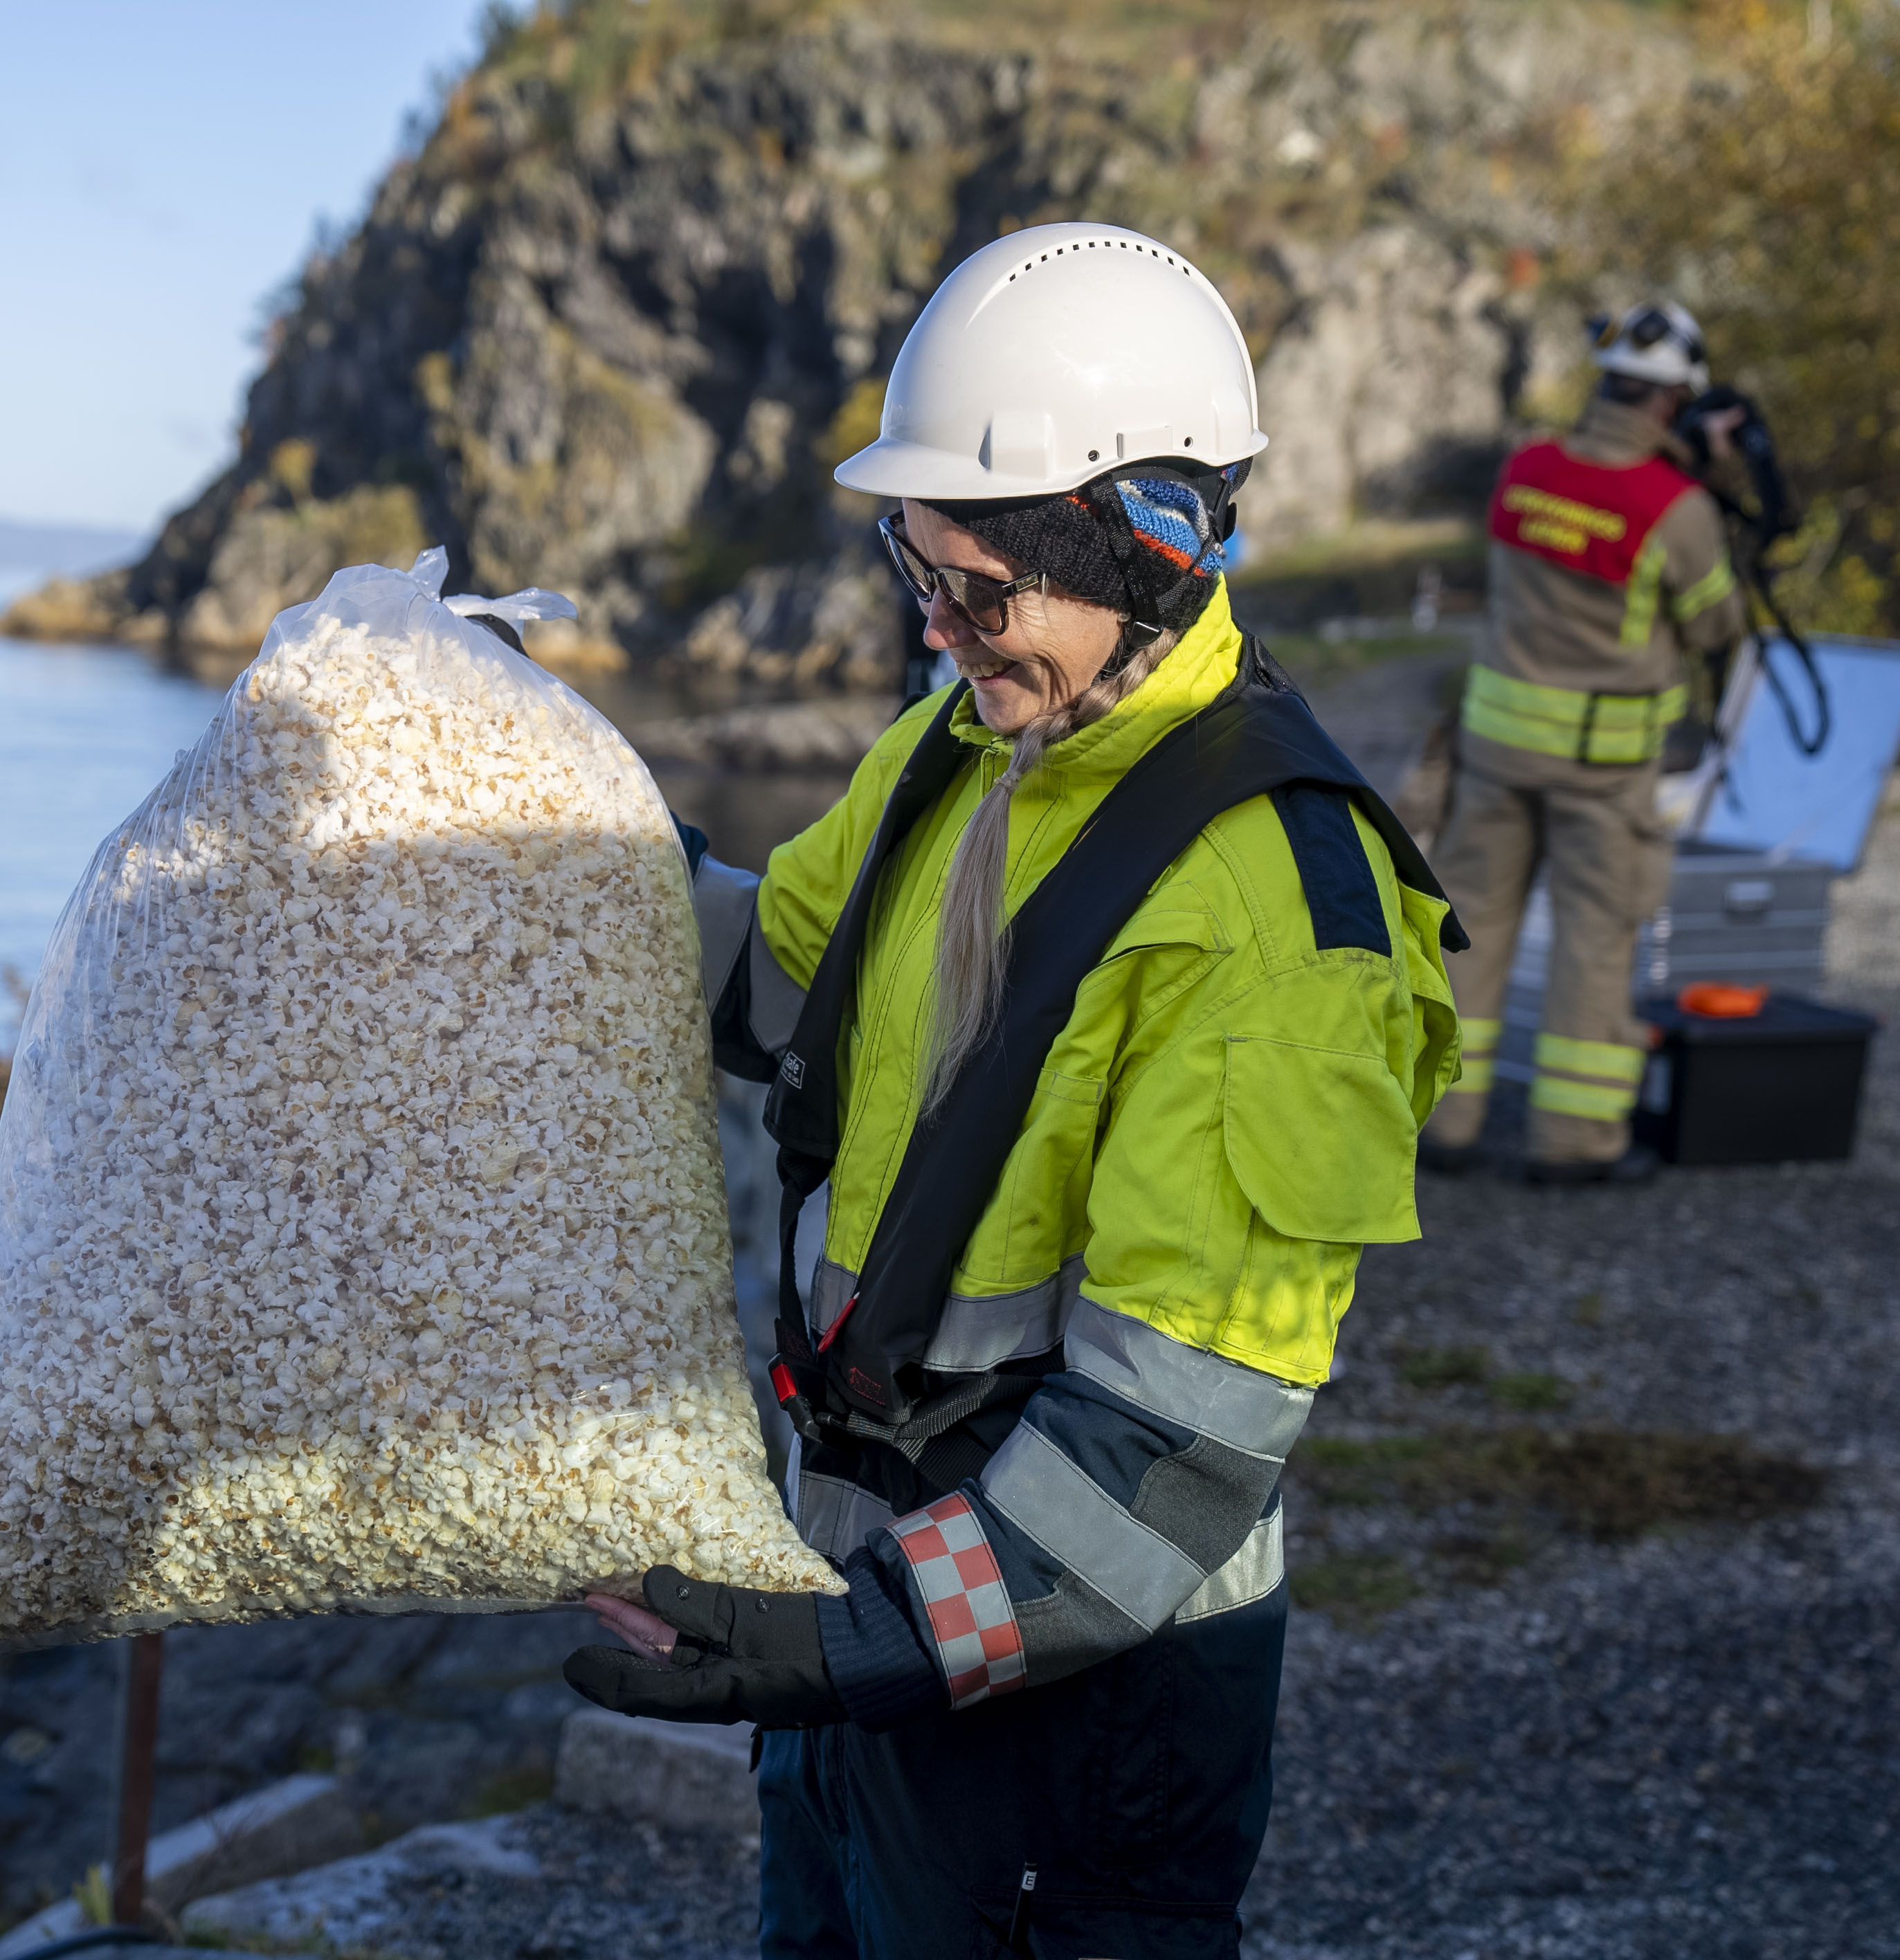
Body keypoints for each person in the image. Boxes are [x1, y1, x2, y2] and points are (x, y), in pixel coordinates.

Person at [562, 222, 1461, 1960]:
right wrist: (564, 848)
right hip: (868, 1607)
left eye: (978, 591)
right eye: (911, 567)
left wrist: (856, 1639)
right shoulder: (959, 747)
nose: (936, 625)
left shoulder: (1271, 921)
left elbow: (1172, 1440)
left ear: (1149, 547)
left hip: (1072, 1693)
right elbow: (778, 994)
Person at [1417, 300, 1755, 1183]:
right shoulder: (1673, 507)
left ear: (1606, 383)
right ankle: (1572, 1142)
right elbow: (1717, 626)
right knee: (1593, 943)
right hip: (1601, 770)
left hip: (1494, 750)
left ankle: (1442, 1124)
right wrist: (1709, 477)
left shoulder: (1526, 469)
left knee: (1471, 928)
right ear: (1674, 402)